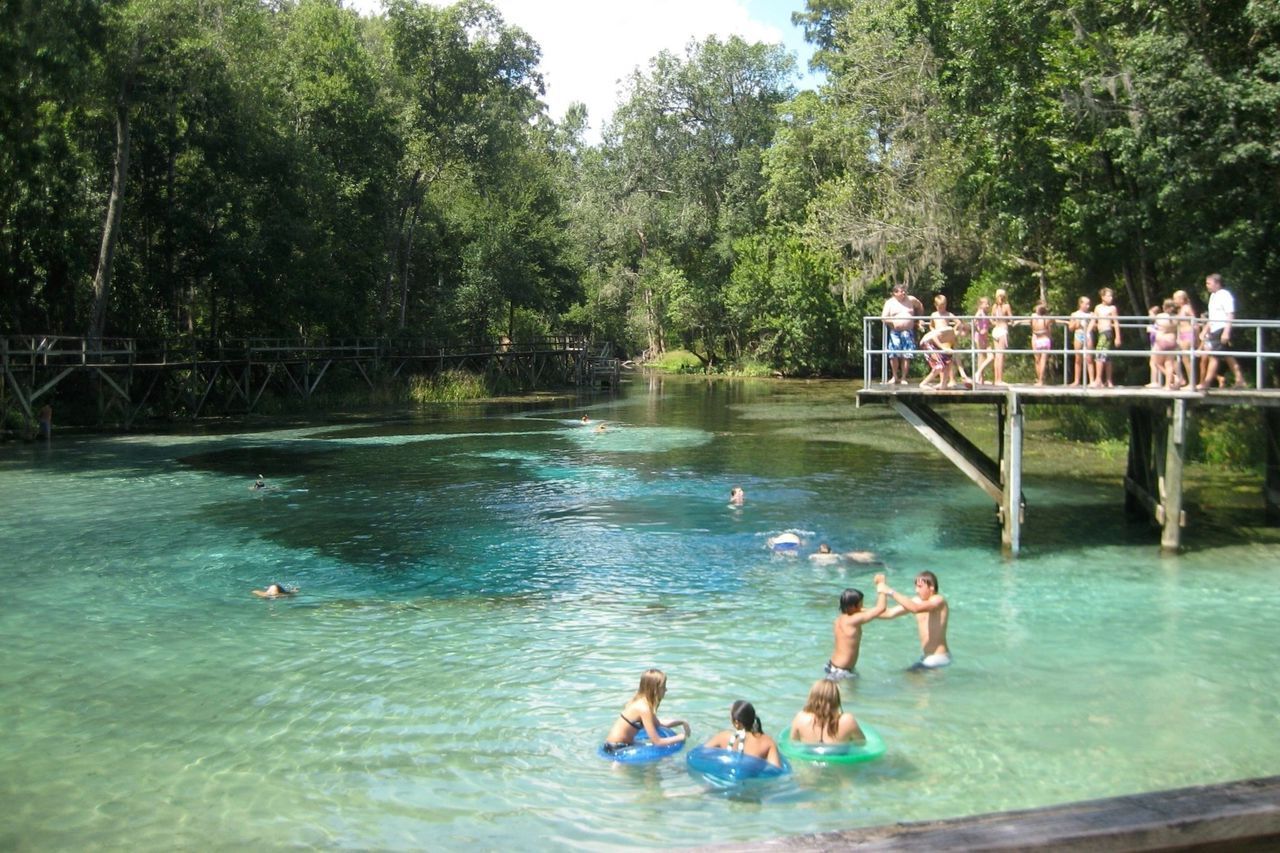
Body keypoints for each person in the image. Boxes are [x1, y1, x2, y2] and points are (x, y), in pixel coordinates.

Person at [601, 669, 690, 755]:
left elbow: (658, 724)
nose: (666, 690)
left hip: (615, 745)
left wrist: (681, 722)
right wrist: (681, 737)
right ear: (655, 690)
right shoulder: (644, 709)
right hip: (617, 749)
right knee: (666, 761)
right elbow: (658, 742)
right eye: (663, 687)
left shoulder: (639, 701)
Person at [877, 570, 951, 669]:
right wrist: (858, 611)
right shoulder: (916, 601)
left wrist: (890, 591)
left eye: (920, 587)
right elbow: (888, 613)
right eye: (916, 586)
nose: (916, 590)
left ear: (932, 587)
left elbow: (916, 609)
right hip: (927, 657)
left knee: (908, 677)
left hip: (939, 657)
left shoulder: (938, 600)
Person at [824, 574, 888, 680]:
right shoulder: (853, 620)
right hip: (842, 672)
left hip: (832, 666)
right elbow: (881, 608)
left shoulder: (839, 620)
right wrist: (881, 585)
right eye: (861, 605)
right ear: (853, 607)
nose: (862, 607)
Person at [1196, 273, 1247, 390]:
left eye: (1209, 283)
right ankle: (1240, 380)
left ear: (1217, 283)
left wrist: (1227, 332)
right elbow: (1212, 316)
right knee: (1227, 355)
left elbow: (1230, 314)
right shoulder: (1213, 296)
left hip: (1222, 328)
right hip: (1214, 328)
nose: (1207, 286)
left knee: (1214, 356)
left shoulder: (1225, 295)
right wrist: (1205, 330)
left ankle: (1206, 383)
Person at [702, 700, 782, 768]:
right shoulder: (767, 742)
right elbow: (776, 770)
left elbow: (702, 753)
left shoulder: (723, 737)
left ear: (736, 723)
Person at [789, 679, 865, 746]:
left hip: (810, 759)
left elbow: (793, 743)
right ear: (836, 699)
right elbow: (862, 744)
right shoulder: (847, 720)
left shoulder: (800, 718)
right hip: (839, 761)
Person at [880, 284, 917, 384]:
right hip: (895, 332)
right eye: (901, 291)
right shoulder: (890, 303)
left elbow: (920, 305)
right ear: (895, 293)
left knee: (907, 354)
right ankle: (895, 376)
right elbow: (883, 318)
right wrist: (893, 323)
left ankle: (904, 377)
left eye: (904, 291)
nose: (904, 293)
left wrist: (920, 319)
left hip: (907, 332)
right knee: (893, 354)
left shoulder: (911, 300)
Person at [1088, 287, 1121, 387]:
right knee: (1106, 357)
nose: (1111, 298)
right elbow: (1093, 320)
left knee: (1099, 354)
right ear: (1102, 297)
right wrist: (1087, 332)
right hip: (1100, 332)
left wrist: (1118, 337)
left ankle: (1098, 379)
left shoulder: (1112, 308)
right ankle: (1108, 381)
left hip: (1107, 333)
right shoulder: (1098, 307)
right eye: (1108, 296)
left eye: (1111, 296)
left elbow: (1115, 322)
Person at [1068, 295, 1093, 386]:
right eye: (1086, 304)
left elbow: (1095, 326)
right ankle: (1077, 380)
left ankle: (1092, 381)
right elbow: (1070, 328)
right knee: (1078, 358)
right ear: (1081, 304)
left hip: (1088, 335)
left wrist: (1090, 324)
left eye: (1089, 304)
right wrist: (1076, 324)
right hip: (1078, 334)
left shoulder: (1091, 314)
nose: (1088, 306)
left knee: (1089, 358)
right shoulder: (1074, 314)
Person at [990, 289, 1013, 385]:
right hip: (1002, 330)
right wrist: (1009, 322)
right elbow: (1011, 319)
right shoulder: (1006, 306)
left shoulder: (994, 306)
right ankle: (999, 380)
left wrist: (995, 323)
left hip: (995, 330)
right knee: (1001, 355)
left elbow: (991, 319)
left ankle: (997, 379)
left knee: (997, 356)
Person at [1028, 302, 1053, 386]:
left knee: (1039, 360)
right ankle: (1040, 380)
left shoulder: (1033, 316)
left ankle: (1040, 380)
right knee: (1040, 360)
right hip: (1043, 338)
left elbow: (1030, 323)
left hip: (1038, 337)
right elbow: (1051, 326)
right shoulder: (1046, 317)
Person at [972, 296, 994, 385]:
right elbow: (974, 321)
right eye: (986, 303)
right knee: (982, 357)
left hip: (985, 337)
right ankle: (979, 377)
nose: (988, 305)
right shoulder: (980, 313)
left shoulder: (986, 314)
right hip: (979, 337)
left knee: (990, 356)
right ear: (981, 305)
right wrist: (979, 330)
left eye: (988, 303)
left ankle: (980, 376)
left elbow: (990, 323)